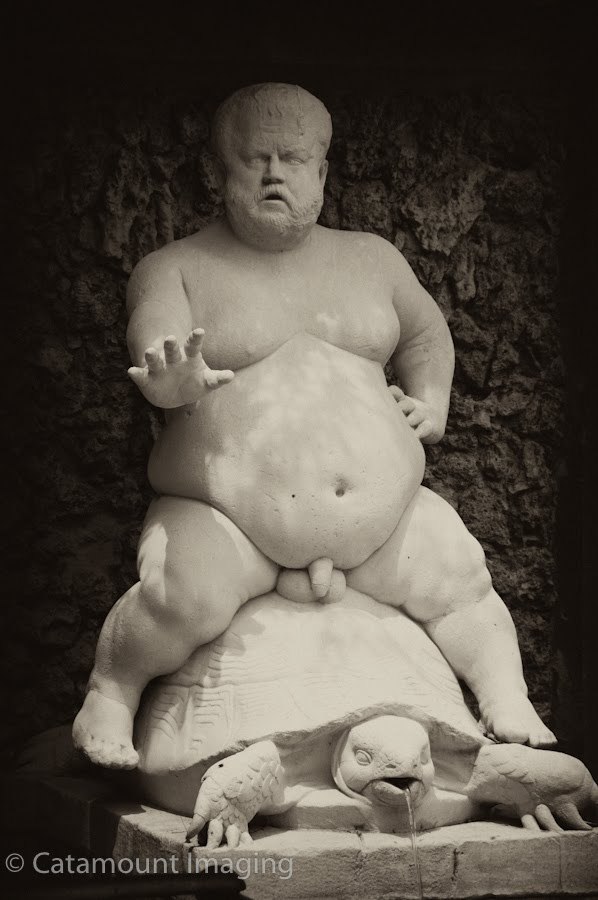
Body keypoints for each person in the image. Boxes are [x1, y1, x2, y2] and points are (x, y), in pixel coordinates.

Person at [73, 83, 555, 769]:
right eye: (256, 159)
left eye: (294, 159)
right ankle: (110, 692)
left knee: (460, 575)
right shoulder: (177, 268)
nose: (275, 174)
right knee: (181, 596)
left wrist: (432, 401)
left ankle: (506, 694)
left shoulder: (373, 260)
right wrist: (167, 379)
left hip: (385, 526)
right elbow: (156, 336)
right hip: (225, 520)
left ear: (322, 172)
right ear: (218, 171)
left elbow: (426, 334)